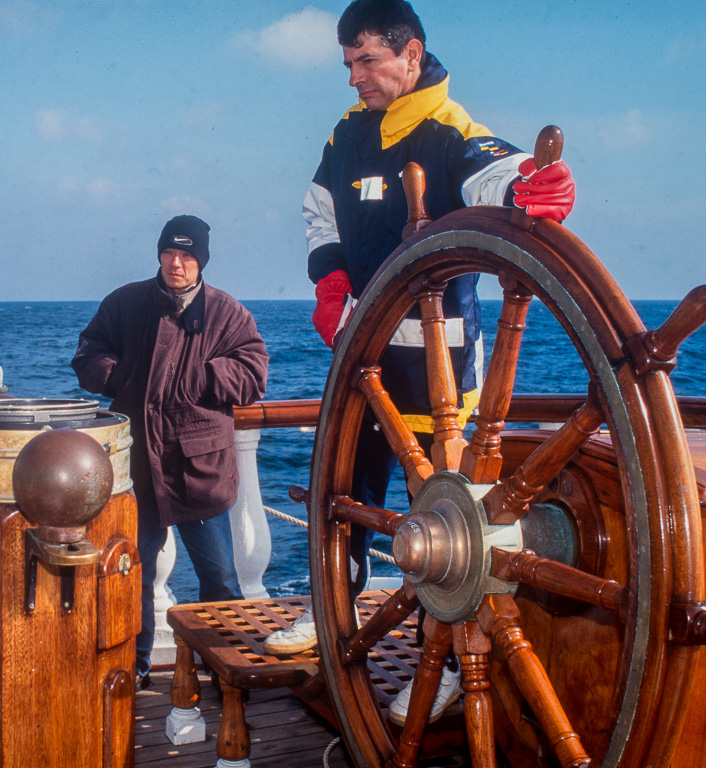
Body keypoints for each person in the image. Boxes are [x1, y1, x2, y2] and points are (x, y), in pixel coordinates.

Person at [262, 0, 575, 726]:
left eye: (367, 60)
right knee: (344, 501)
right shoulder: (346, 136)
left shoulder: (448, 130)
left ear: (412, 54)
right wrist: (331, 276)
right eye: (348, 64)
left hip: (438, 378)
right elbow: (318, 208)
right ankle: (329, 614)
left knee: (450, 530)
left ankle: (448, 660)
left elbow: (492, 172)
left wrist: (534, 183)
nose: (355, 78)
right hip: (361, 368)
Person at [72, 214, 269, 689]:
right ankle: (134, 668)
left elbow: (254, 373)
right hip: (138, 462)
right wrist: (119, 378)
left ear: (201, 260)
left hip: (200, 466)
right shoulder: (126, 302)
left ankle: (226, 670)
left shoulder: (228, 313)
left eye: (186, 256)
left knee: (220, 575)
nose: (176, 264)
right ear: (159, 255)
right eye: (169, 254)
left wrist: (198, 377)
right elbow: (87, 354)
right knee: (131, 572)